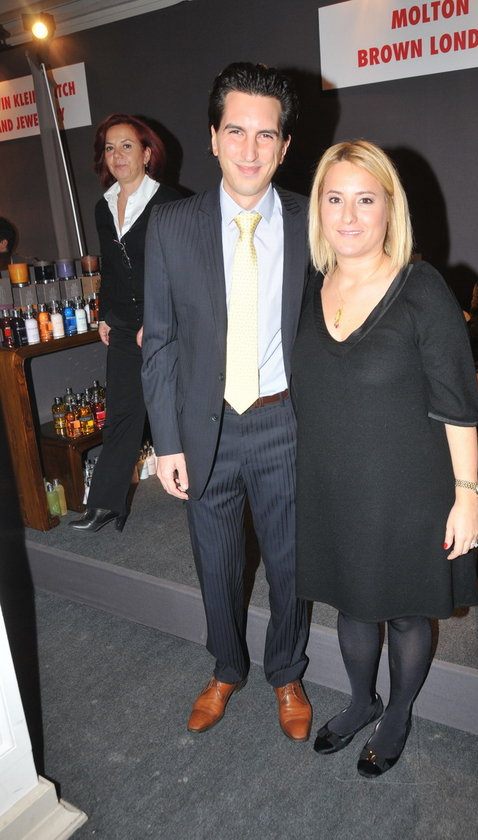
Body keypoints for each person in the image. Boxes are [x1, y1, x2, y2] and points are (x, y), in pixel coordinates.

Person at [292, 140, 478, 776]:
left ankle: (397, 713)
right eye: (335, 198)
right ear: (319, 209)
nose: (349, 215)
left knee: (403, 611)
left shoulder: (421, 289)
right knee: (351, 605)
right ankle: (361, 701)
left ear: (389, 209)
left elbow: (458, 405)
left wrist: (467, 497)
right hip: (334, 487)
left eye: (365, 200)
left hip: (408, 492)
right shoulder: (309, 287)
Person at [141, 63, 311, 741]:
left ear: (284, 146)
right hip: (203, 427)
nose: (249, 149)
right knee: (216, 565)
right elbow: (159, 342)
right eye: (235, 131)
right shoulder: (170, 225)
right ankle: (226, 667)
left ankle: (287, 671)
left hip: (284, 421)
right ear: (212, 137)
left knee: (291, 565)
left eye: (265, 135)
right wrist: (166, 441)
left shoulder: (310, 220)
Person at [69, 114, 181, 533]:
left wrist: (159, 320)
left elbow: (183, 271)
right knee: (120, 413)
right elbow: (111, 268)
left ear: (147, 153)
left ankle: (204, 488)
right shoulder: (104, 205)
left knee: (181, 408)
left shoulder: (171, 202)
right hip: (122, 325)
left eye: (127, 146)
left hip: (167, 323)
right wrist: (104, 314)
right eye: (110, 148)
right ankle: (105, 504)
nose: (117, 155)